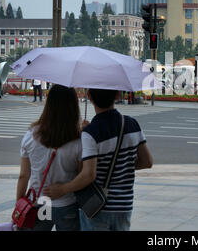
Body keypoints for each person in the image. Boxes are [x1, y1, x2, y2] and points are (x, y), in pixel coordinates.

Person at [43, 88, 153, 231]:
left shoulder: (91, 132)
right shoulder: (132, 124)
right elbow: (147, 162)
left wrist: (63, 189)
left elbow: (88, 174)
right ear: (118, 95)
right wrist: (122, 165)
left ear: (89, 96)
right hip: (124, 207)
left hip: (97, 207)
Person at [15, 85, 83, 231]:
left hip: (39, 204)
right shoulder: (79, 141)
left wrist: (19, 207)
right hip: (67, 205)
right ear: (74, 107)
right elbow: (81, 175)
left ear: (49, 104)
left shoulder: (30, 136)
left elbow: (23, 176)